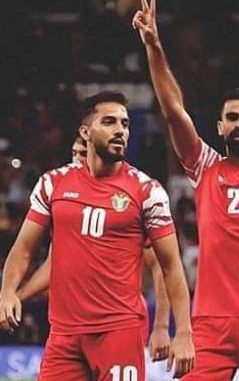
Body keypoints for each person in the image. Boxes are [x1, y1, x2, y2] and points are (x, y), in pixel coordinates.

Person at [133, 0, 239, 380]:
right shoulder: (206, 167)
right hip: (211, 319)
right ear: (220, 127)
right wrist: (154, 47)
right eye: (232, 117)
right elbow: (173, 111)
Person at [0, 91, 195, 380]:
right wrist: (7, 292)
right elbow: (24, 248)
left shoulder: (147, 191)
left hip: (119, 332)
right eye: (109, 122)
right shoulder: (53, 184)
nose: (120, 130)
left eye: (124, 124)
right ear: (85, 132)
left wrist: (182, 332)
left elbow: (170, 266)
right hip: (64, 335)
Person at [16, 134, 173, 362]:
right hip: (72, 324)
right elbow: (53, 265)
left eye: (83, 154)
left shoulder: (132, 195)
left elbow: (161, 266)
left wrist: (161, 326)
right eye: (74, 154)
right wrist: (17, 297)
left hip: (118, 321)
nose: (78, 160)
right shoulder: (64, 199)